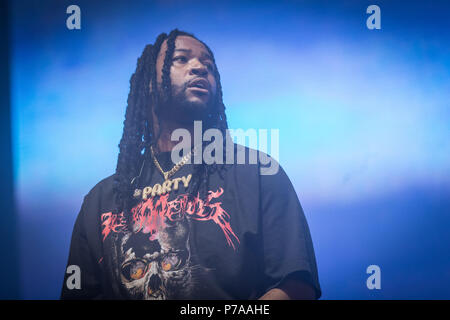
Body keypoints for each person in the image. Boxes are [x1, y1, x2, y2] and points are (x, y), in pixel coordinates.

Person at [60, 29, 321, 300]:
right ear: (149, 81)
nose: (199, 68)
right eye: (181, 59)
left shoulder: (257, 172)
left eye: (208, 65)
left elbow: (296, 287)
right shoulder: (101, 200)